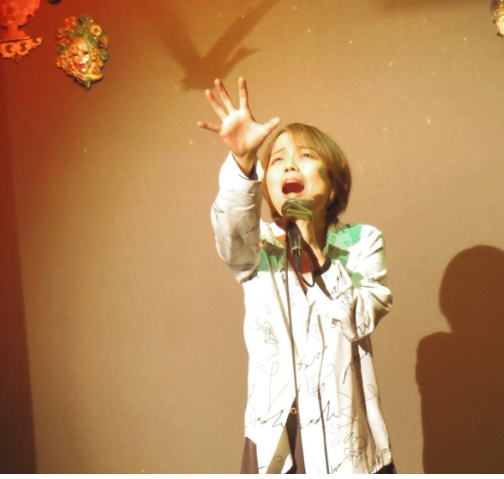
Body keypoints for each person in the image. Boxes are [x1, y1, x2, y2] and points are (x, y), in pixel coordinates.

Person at [198, 78, 396, 474]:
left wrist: (315, 250)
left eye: (305, 155)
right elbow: (229, 230)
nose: (289, 164)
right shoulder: (257, 246)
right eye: (277, 160)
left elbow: (359, 319)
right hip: (276, 438)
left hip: (346, 438)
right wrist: (242, 161)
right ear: (267, 188)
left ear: (335, 184)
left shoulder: (362, 242)